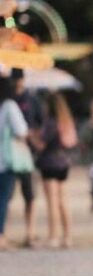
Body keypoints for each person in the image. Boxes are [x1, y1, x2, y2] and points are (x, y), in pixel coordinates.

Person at [35, 93, 77, 248]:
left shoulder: (50, 123)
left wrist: (32, 137)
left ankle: (53, 236)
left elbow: (42, 144)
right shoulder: (66, 121)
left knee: (52, 202)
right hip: (63, 163)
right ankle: (67, 236)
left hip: (49, 163)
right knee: (63, 201)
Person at [11, 68, 43, 248]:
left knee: (29, 195)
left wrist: (33, 137)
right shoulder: (6, 100)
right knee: (5, 195)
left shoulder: (32, 100)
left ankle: (29, 233)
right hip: (8, 153)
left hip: (27, 153)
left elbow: (40, 123)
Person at [0, 75, 28, 250]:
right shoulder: (9, 106)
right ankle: (1, 236)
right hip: (4, 159)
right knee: (2, 198)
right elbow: (21, 130)